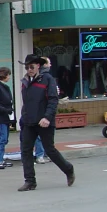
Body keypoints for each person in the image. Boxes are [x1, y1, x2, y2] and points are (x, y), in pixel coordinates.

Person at [17, 54, 75, 191]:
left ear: (38, 66)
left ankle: (68, 169)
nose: (29, 69)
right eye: (27, 67)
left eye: (31, 66)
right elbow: (26, 103)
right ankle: (30, 181)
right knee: (25, 151)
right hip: (29, 121)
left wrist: (47, 117)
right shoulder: (25, 81)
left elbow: (53, 100)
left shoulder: (47, 79)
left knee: (50, 150)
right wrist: (23, 119)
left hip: (44, 121)